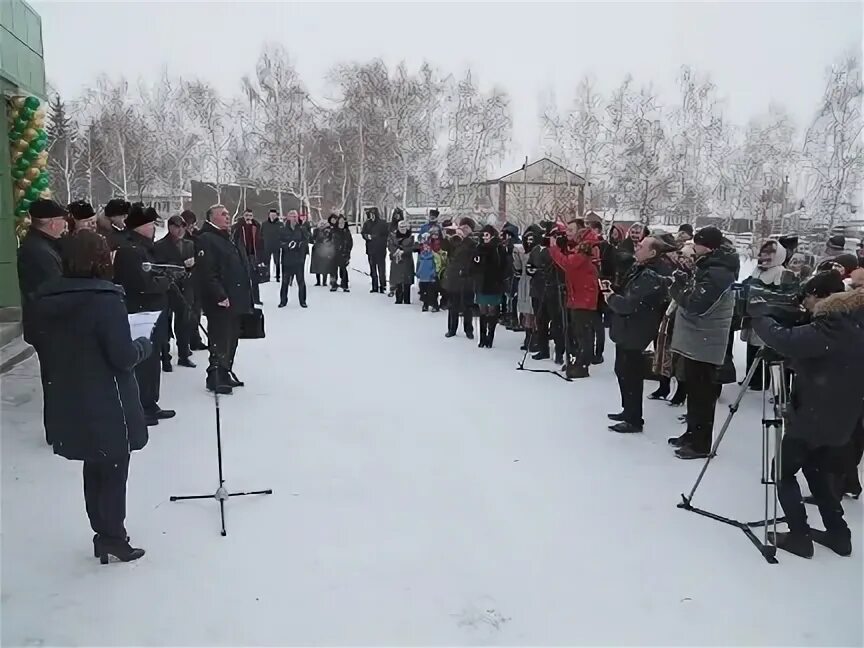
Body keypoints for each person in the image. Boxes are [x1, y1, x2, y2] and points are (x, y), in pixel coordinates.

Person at [29, 230, 151, 563]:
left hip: (71, 395)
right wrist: (143, 345)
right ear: (97, 258)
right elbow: (122, 356)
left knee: (94, 464)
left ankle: (103, 531)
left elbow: (43, 340)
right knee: (113, 469)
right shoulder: (105, 299)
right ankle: (113, 536)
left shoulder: (47, 298)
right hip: (107, 397)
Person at [749, 270, 864, 558]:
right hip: (841, 418)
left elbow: (785, 340)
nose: (806, 304)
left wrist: (760, 316)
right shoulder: (854, 322)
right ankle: (839, 536)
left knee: (783, 471)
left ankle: (799, 536)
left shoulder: (833, 325)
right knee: (818, 473)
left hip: (813, 416)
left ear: (823, 298)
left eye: (809, 297)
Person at [667, 226, 739, 459]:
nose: (692, 248)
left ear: (706, 246)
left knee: (702, 395)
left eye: (696, 244)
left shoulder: (719, 271)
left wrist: (677, 289)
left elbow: (698, 304)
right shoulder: (710, 266)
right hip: (698, 339)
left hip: (706, 341)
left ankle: (701, 444)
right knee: (695, 392)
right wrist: (685, 277)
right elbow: (696, 292)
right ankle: (692, 434)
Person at [112, 204, 174, 426]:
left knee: (152, 360)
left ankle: (150, 403)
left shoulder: (144, 248)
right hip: (140, 313)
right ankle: (140, 406)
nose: (154, 229)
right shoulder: (131, 250)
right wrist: (167, 280)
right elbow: (141, 284)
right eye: (151, 225)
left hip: (151, 312)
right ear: (141, 226)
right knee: (143, 362)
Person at [605, 236, 675, 432]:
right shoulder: (640, 269)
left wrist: (611, 297)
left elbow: (630, 305)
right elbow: (628, 293)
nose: (636, 248)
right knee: (623, 371)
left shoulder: (651, 276)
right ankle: (628, 411)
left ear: (652, 253)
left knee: (631, 375)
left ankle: (634, 419)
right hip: (627, 328)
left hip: (636, 330)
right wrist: (615, 289)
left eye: (641, 246)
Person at [194, 204, 254, 395]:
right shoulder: (206, 239)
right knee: (220, 338)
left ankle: (225, 372)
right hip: (221, 300)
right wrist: (220, 295)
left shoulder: (227, 237)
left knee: (231, 339)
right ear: (211, 217)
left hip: (235, 298)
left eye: (228, 214)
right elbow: (207, 271)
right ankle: (215, 377)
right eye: (223, 214)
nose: (228, 217)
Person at [739, 238, 799, 390]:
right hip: (753, 314)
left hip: (768, 317)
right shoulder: (758, 269)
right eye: (763, 252)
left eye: (770, 253)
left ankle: (762, 381)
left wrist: (763, 295)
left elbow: (783, 296)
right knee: (751, 347)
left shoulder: (781, 272)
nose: (765, 256)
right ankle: (751, 377)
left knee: (765, 349)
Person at [548, 220, 600, 379]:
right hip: (577, 292)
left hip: (583, 294)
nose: (567, 233)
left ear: (580, 230)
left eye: (570, 230)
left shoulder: (586, 245)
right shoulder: (580, 244)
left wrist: (554, 249)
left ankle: (582, 364)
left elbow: (569, 263)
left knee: (582, 332)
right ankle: (578, 360)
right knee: (577, 330)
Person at [17, 199, 67, 345]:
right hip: (48, 325)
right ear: (52, 223)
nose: (65, 225)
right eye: (63, 220)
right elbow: (53, 288)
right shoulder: (39, 252)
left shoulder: (42, 245)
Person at [154, 214, 197, 370]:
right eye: (176, 226)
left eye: (182, 227)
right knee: (165, 321)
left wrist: (191, 268)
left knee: (184, 321)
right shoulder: (159, 245)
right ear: (170, 227)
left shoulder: (189, 244)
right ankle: (165, 356)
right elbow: (158, 267)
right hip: (168, 288)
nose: (179, 230)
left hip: (185, 286)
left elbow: (193, 265)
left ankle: (184, 354)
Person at [528, 223, 566, 364]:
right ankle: (543, 349)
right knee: (541, 321)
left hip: (553, 290)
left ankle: (559, 351)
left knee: (556, 323)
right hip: (537, 289)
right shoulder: (536, 250)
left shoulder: (557, 251)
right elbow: (530, 265)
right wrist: (531, 270)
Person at [442, 218, 478, 339]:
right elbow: (445, 247)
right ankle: (452, 329)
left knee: (468, 305)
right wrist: (445, 236)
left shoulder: (473, 242)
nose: (464, 229)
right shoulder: (454, 239)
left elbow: (474, 256)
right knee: (453, 305)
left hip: (467, 277)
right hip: (454, 276)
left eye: (467, 228)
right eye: (462, 227)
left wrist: (465, 239)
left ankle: (469, 330)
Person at [473, 225, 509, 348]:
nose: (484, 237)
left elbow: (505, 265)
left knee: (492, 311)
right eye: (483, 235)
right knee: (482, 311)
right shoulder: (478, 247)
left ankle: (490, 336)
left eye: (486, 235)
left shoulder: (499, 248)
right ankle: (482, 337)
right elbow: (473, 264)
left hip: (494, 282)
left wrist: (502, 280)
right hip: (481, 282)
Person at [181, 209, 207, 351]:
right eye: (188, 224)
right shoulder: (180, 239)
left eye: (193, 224)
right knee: (187, 312)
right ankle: (187, 341)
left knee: (196, 310)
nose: (191, 227)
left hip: (197, 278)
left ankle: (195, 339)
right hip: (185, 279)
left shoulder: (197, 237)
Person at [513, 227, 539, 350]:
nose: (529, 242)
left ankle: (533, 339)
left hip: (533, 283)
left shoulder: (538, 252)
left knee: (532, 313)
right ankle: (528, 336)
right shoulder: (522, 252)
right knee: (525, 312)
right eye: (527, 239)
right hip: (523, 283)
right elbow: (518, 266)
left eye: (532, 239)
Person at [232, 209, 264, 305]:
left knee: (254, 278)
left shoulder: (256, 226)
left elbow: (261, 241)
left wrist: (261, 256)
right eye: (246, 215)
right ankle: (245, 299)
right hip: (242, 255)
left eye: (250, 215)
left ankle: (256, 298)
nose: (248, 217)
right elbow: (234, 239)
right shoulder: (238, 226)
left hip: (253, 254)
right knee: (244, 278)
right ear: (243, 216)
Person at [278, 210, 309, 308]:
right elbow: (279, 242)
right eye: (292, 216)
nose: (294, 218)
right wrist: (287, 245)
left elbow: (306, 241)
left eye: (295, 216)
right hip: (286, 260)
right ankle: (283, 301)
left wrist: (299, 245)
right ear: (288, 217)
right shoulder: (283, 229)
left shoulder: (301, 229)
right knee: (285, 282)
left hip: (298, 260)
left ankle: (302, 301)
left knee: (301, 281)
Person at [361, 207, 389, 293]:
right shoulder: (367, 223)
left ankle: (382, 285)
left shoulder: (382, 223)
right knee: (372, 269)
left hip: (380, 249)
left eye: (374, 214)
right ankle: (374, 286)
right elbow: (363, 233)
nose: (372, 216)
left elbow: (386, 235)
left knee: (381, 268)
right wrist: (367, 236)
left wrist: (377, 238)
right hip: (371, 249)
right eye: (371, 214)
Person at [388, 219, 416, 304]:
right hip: (397, 260)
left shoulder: (410, 237)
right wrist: (395, 251)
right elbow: (390, 245)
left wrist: (404, 250)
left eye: (404, 227)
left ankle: (407, 299)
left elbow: (413, 247)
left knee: (407, 281)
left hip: (407, 260)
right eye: (401, 227)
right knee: (398, 280)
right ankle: (398, 299)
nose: (403, 229)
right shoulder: (393, 236)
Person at [311, 215, 337, 286]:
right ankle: (318, 281)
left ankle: (324, 281)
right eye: (321, 224)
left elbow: (330, 239)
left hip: (324, 250)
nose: (322, 225)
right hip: (317, 250)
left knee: (324, 265)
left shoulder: (328, 231)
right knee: (316, 266)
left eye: (323, 224)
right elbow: (313, 239)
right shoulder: (316, 230)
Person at [416, 236, 440, 312]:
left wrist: (434, 273)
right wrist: (418, 273)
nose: (426, 247)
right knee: (423, 292)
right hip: (423, 277)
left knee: (431, 293)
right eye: (424, 246)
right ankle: (425, 304)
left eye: (427, 246)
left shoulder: (434, 256)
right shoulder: (422, 255)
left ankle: (435, 305)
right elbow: (420, 265)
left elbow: (437, 265)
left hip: (431, 278)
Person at [330, 214, 353, 292]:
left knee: (343, 269)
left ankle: (344, 284)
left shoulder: (347, 232)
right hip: (334, 253)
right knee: (333, 269)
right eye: (340, 222)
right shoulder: (333, 231)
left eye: (343, 222)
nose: (341, 224)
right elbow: (330, 242)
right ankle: (333, 284)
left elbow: (350, 243)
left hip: (344, 253)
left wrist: (348, 252)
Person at [261, 209, 283, 282]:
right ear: (269, 215)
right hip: (267, 246)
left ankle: (277, 276)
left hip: (277, 246)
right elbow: (261, 235)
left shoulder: (280, 224)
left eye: (274, 215)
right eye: (271, 215)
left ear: (276, 215)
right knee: (267, 262)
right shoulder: (264, 224)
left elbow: (283, 235)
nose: (272, 216)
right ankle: (267, 276)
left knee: (277, 262)